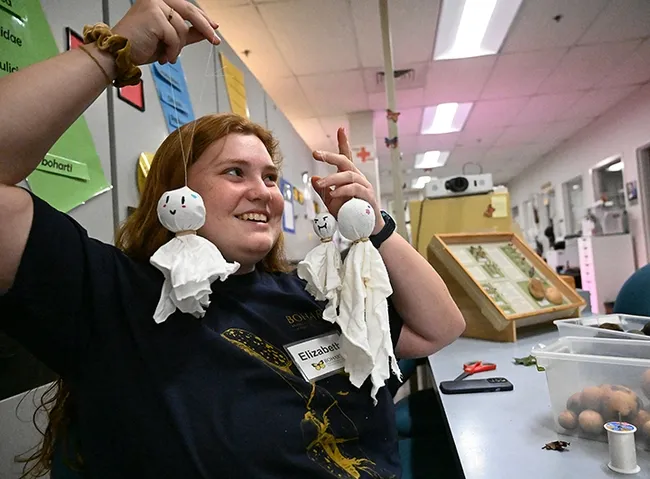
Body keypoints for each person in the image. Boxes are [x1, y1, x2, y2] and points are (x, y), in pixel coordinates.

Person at [0, 0, 465, 477]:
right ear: (176, 194)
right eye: (234, 172)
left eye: (269, 177)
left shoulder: (309, 291)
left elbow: (438, 327)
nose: (263, 192)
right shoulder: (116, 297)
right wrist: (106, 54)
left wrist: (375, 224)